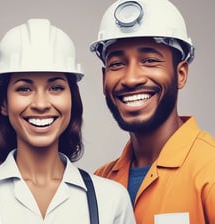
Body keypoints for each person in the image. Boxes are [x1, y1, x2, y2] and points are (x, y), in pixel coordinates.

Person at [0, 18, 135, 223]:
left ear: (72, 100)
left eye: (55, 88)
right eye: (24, 88)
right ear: (4, 104)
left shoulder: (111, 200)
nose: (41, 104)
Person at [90, 0, 215, 223]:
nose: (130, 79)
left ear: (181, 74)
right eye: (117, 64)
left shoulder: (210, 171)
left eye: (149, 60)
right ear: (103, 79)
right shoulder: (100, 181)